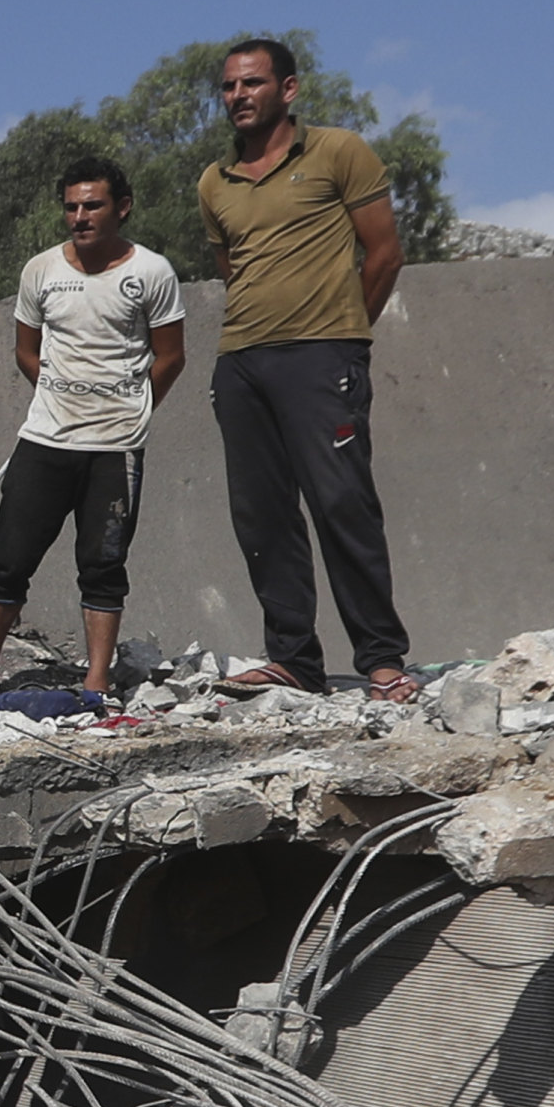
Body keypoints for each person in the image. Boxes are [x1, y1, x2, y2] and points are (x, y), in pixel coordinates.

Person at [196, 37, 424, 702]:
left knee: (340, 503)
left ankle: (381, 659)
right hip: (241, 361)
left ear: (287, 89)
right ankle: (291, 658)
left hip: (322, 357)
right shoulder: (215, 182)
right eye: (228, 87)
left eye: (251, 84)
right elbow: (233, 272)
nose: (238, 96)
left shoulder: (338, 152)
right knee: (261, 515)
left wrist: (345, 339)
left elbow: (382, 254)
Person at [0, 158, 185, 698]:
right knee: (9, 560)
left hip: (115, 451)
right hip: (45, 441)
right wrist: (57, 396)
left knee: (103, 565)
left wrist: (134, 409)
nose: (80, 217)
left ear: (122, 207)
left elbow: (171, 356)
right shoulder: (41, 270)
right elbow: (26, 350)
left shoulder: (152, 274)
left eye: (92, 205)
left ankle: (96, 682)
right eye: (71, 206)